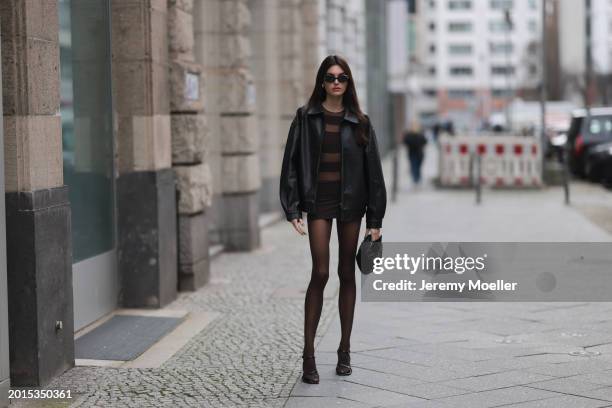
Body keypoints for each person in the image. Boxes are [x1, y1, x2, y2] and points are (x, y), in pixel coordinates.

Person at [279, 55, 387, 384]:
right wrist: (292, 209)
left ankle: (344, 350)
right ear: (321, 82)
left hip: (352, 205)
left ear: (349, 83)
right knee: (321, 272)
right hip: (319, 203)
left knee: (346, 272)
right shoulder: (305, 117)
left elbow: (374, 175)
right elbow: (291, 165)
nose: (336, 82)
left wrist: (375, 219)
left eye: (342, 77)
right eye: (330, 77)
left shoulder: (361, 123)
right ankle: (308, 355)